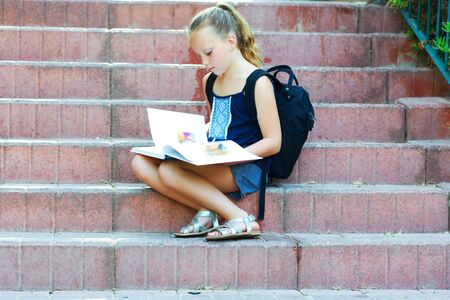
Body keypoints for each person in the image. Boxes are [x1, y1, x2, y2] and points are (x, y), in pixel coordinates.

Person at [131, 2, 281, 241]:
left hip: (245, 167)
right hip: (214, 157)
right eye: (199, 54)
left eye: (208, 52)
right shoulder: (210, 81)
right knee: (140, 163)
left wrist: (231, 155)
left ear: (231, 42)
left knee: (170, 171)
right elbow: (217, 123)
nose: (203, 61)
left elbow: (273, 142)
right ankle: (206, 211)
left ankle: (240, 218)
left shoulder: (258, 82)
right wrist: (184, 138)